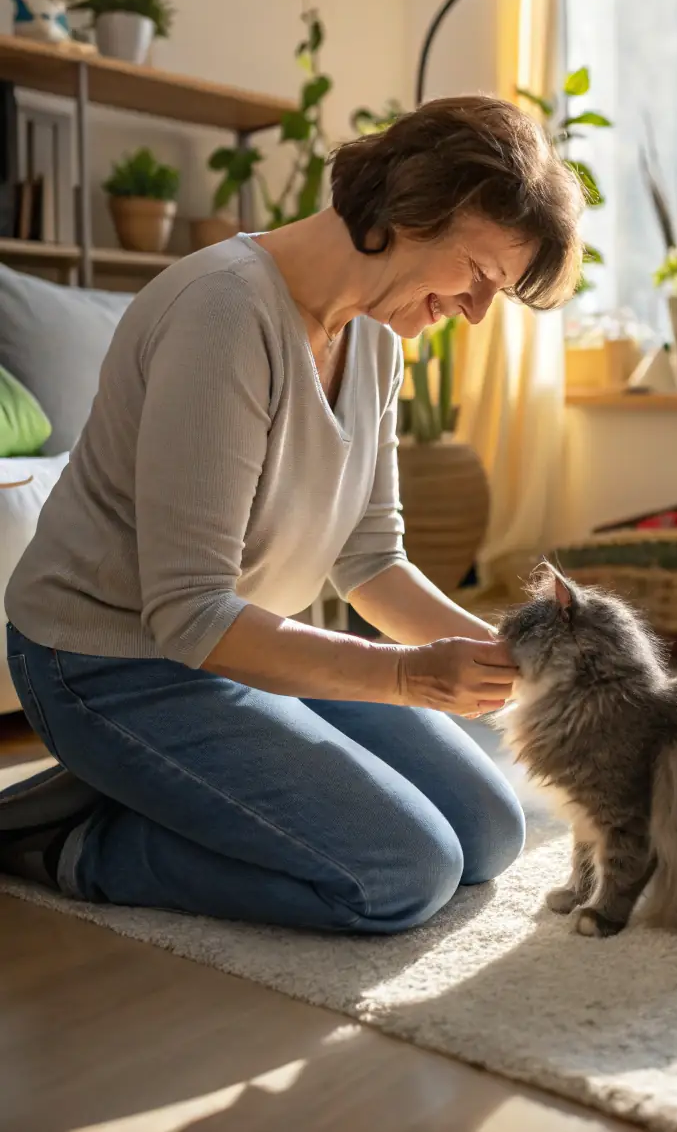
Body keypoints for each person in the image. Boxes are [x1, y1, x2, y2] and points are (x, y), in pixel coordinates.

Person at [0, 95, 583, 933]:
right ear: (419, 208)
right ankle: (69, 840)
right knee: (403, 872)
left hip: (235, 649)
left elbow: (372, 558)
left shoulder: (378, 334)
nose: (477, 310)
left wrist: (502, 656)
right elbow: (190, 615)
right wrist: (412, 676)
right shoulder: (224, 312)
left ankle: (159, 781)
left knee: (490, 831)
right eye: (481, 277)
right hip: (104, 662)